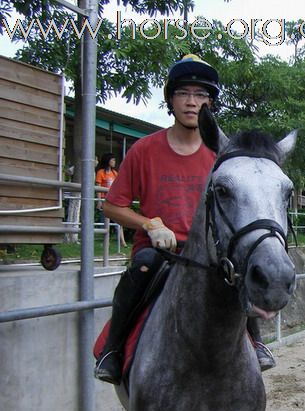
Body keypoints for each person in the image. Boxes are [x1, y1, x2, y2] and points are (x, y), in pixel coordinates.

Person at [94, 54, 275, 385]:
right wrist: (149, 224)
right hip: (159, 252)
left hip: (208, 254)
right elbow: (112, 206)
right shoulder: (144, 150)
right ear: (170, 99)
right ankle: (113, 348)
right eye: (184, 93)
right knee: (141, 267)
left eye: (201, 95)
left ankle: (257, 340)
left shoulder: (224, 155)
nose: (192, 103)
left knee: (237, 273)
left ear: (210, 103)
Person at [95, 153, 127, 247]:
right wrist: (99, 200)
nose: (114, 162)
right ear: (108, 161)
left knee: (118, 221)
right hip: (105, 200)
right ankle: (106, 241)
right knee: (106, 222)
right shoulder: (101, 172)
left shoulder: (115, 173)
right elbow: (98, 186)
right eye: (112, 160)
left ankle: (122, 241)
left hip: (113, 201)